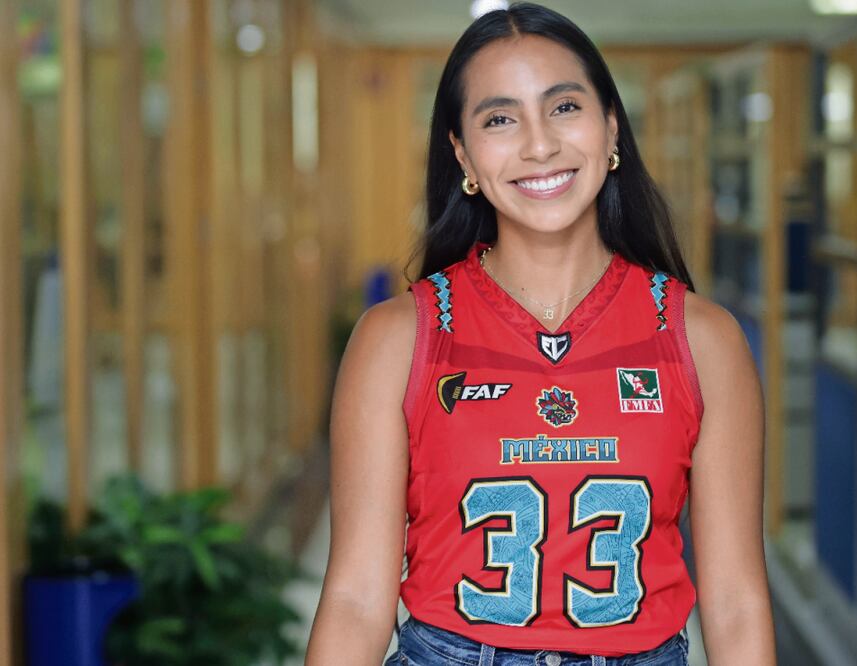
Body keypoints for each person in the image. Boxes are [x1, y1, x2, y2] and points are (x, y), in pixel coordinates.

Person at [304, 3, 775, 665]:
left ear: (611, 127)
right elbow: (355, 597)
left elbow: (734, 601)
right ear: (463, 153)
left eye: (562, 107)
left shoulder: (701, 338)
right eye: (499, 118)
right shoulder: (397, 339)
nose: (538, 144)